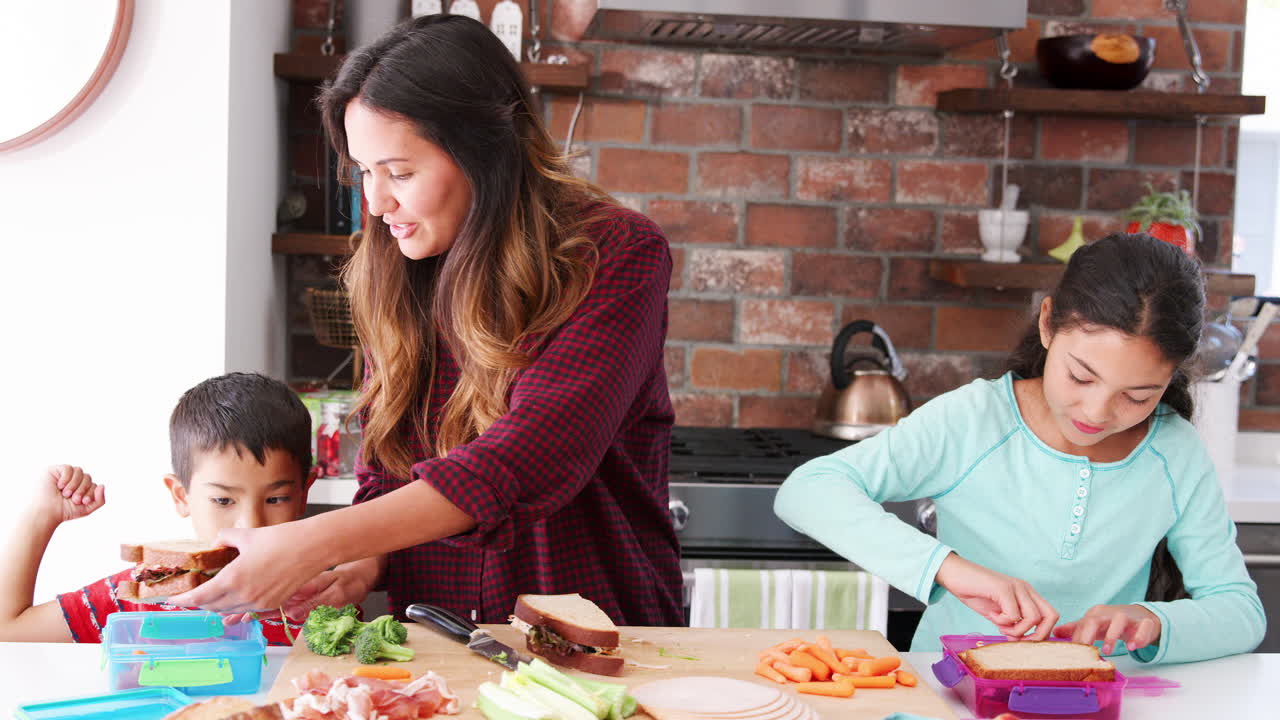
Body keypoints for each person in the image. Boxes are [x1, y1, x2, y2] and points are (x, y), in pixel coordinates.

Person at [171, 14, 683, 627]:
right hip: (438, 639)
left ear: (486, 153)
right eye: (364, 171)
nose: (377, 202)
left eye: (401, 172)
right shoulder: (395, 268)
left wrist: (319, 541)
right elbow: (387, 474)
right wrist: (362, 566)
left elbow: (528, 459)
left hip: (598, 635)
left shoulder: (613, 252)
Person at [775, 233, 1265, 665]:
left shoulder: (1175, 452)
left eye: (1138, 395)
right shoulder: (975, 420)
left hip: (1105, 702)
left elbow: (1240, 610)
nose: (1096, 412)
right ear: (1048, 323)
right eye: (1080, 375)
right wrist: (951, 570)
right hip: (952, 697)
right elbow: (808, 490)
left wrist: (1152, 622)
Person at [0, 372, 316, 645]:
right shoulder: (140, 593)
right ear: (181, 496)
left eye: (275, 499)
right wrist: (41, 516)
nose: (250, 526)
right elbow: (8, 632)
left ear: (303, 494)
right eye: (223, 500)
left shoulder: (323, 599)